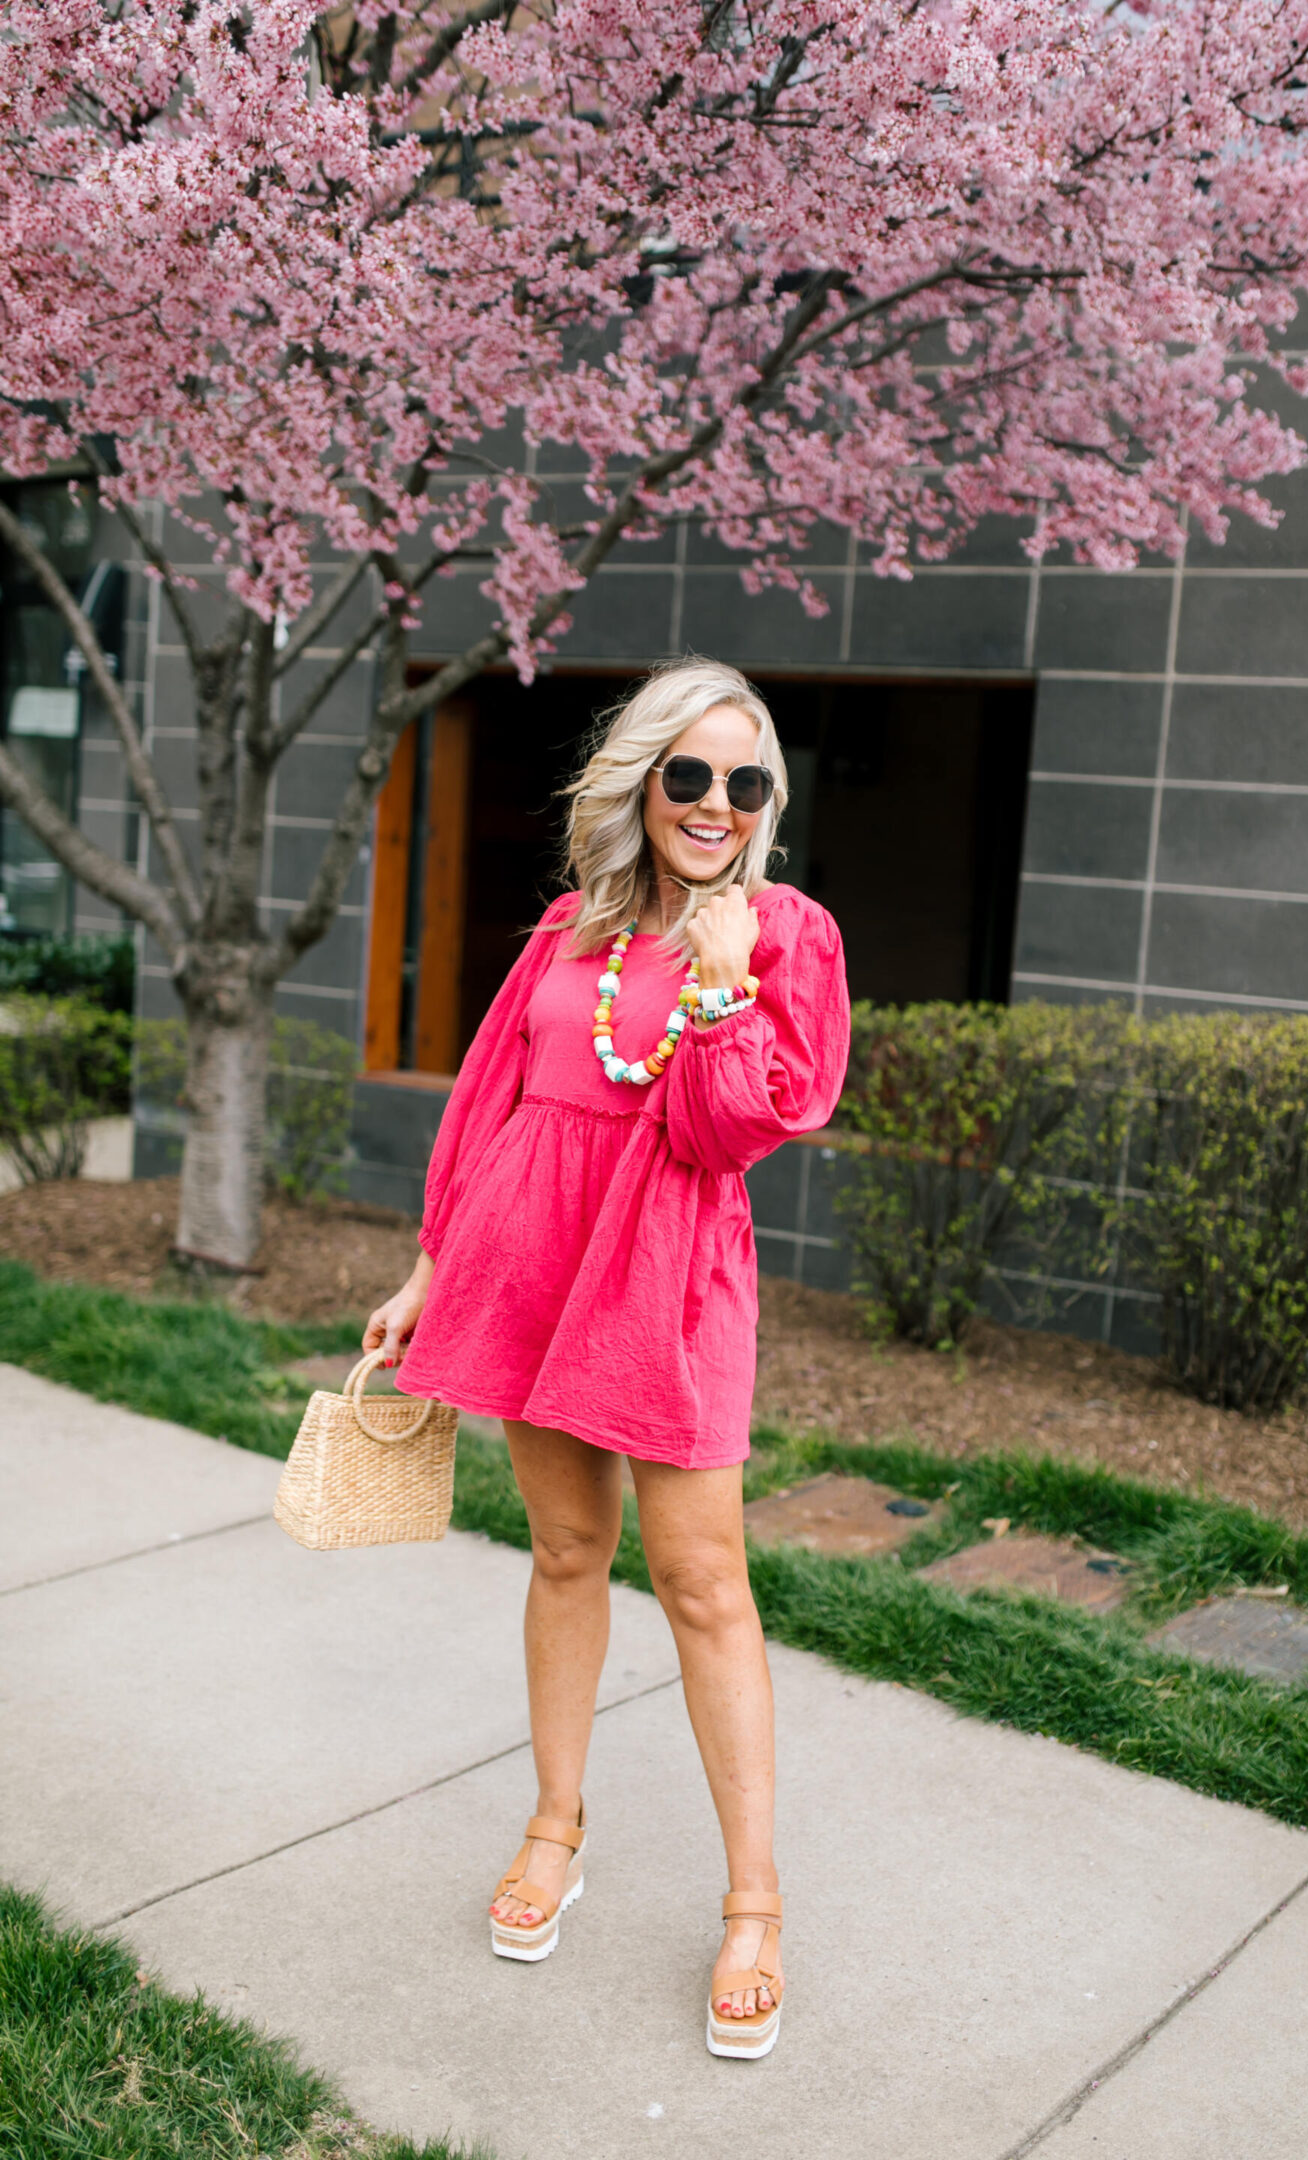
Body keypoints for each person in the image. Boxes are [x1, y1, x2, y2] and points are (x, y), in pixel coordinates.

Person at [364, 656, 849, 2059]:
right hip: (528, 1258)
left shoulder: (784, 934)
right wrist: (428, 1266)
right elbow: (490, 1096)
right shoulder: (570, 928)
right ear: (644, 779)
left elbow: (732, 1128)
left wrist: (721, 984)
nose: (714, 803)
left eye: (743, 782)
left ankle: (753, 1905)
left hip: (668, 1276)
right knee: (568, 1554)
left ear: (767, 803)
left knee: (703, 1584)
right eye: (687, 774)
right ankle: (553, 1828)